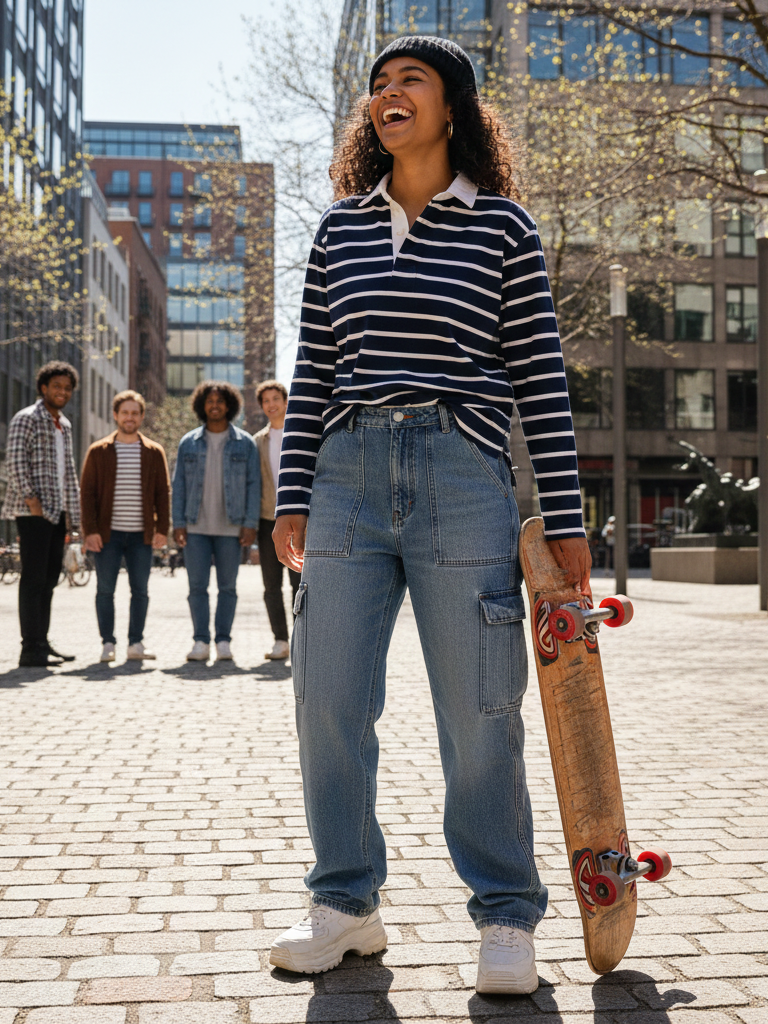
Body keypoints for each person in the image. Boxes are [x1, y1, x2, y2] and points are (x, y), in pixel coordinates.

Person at [270, 36, 592, 993]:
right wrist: (293, 493)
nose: (387, 93)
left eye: (409, 79)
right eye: (377, 85)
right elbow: (315, 371)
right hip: (348, 475)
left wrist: (565, 519)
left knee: (480, 711)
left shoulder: (503, 228)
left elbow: (540, 379)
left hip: (464, 476)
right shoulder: (339, 231)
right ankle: (345, 905)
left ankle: (504, 916)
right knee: (327, 702)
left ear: (454, 107)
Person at [172, 381, 260, 663]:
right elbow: (180, 486)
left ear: (229, 405)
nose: (214, 405)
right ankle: (200, 641)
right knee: (196, 587)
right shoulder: (189, 442)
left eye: (220, 401)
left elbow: (253, 484)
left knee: (228, 588)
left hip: (231, 527)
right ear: (201, 405)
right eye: (209, 401)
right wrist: (178, 522)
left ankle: (223, 640)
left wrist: (250, 523)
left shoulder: (245, 443)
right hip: (195, 526)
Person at [80, 390, 170, 663]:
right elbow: (87, 494)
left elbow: (162, 493)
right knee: (105, 589)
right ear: (115, 415)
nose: (129, 417)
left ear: (141, 416)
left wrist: (162, 529)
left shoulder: (154, 452)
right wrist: (90, 531)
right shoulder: (98, 451)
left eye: (135, 412)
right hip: (108, 535)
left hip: (141, 535)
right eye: (125, 412)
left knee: (140, 590)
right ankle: (108, 643)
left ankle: (136, 643)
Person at [2, 361, 81, 667]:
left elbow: (68, 471)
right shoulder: (27, 418)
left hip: (57, 510)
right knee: (33, 579)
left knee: (50, 578)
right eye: (57, 386)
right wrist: (31, 500)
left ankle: (41, 643)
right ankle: (29, 648)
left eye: (67, 388)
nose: (62, 392)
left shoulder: (65, 425)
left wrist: (73, 514)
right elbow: (16, 460)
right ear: (43, 387)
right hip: (33, 510)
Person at [252, 380, 301, 660]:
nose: (271, 404)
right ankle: (280, 640)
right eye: (266, 401)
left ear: (285, 401)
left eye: (275, 398)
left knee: (299, 582)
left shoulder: (300, 434)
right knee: (271, 585)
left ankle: (301, 640)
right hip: (266, 520)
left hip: (297, 520)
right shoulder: (258, 441)